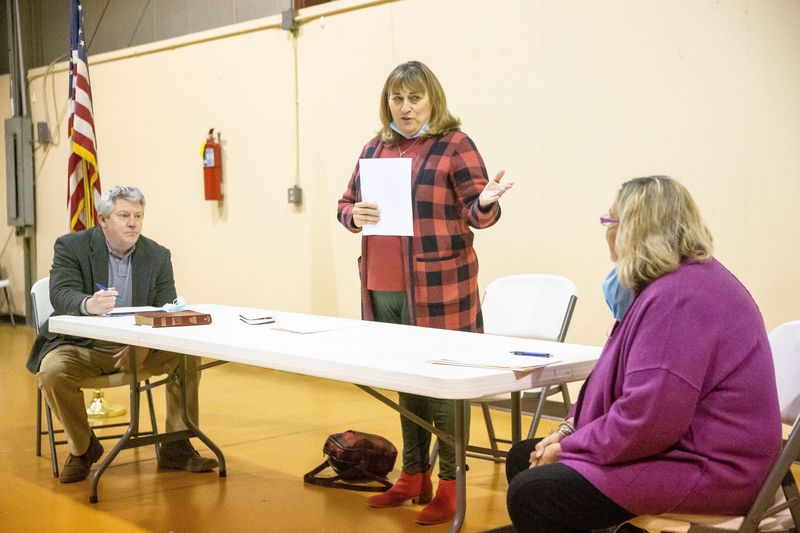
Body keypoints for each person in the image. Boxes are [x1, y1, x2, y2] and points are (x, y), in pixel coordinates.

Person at [503, 176, 782, 532]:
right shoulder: (673, 284)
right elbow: (614, 387)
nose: (606, 232)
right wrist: (566, 432)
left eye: (609, 221)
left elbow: (649, 419)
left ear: (634, 230)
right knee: (524, 459)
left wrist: (572, 447)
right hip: (682, 447)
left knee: (535, 492)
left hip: (710, 466)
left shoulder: (678, 298)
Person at [337, 60, 513, 525]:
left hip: (439, 288)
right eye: (397, 98)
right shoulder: (375, 147)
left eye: (415, 98)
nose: (406, 107)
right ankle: (414, 476)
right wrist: (353, 215)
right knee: (407, 383)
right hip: (383, 287)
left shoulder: (454, 144)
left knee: (444, 389)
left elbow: (477, 213)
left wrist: (487, 202)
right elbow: (345, 204)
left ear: (432, 99)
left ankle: (452, 486)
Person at [27, 186, 218, 484]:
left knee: (187, 356)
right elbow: (61, 293)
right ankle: (83, 448)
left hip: (138, 345)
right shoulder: (72, 246)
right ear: (103, 219)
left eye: (138, 216)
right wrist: (87, 304)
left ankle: (176, 446)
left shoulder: (157, 255)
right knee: (52, 372)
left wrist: (143, 345)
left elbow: (165, 309)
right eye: (124, 215)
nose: (133, 223)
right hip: (85, 346)